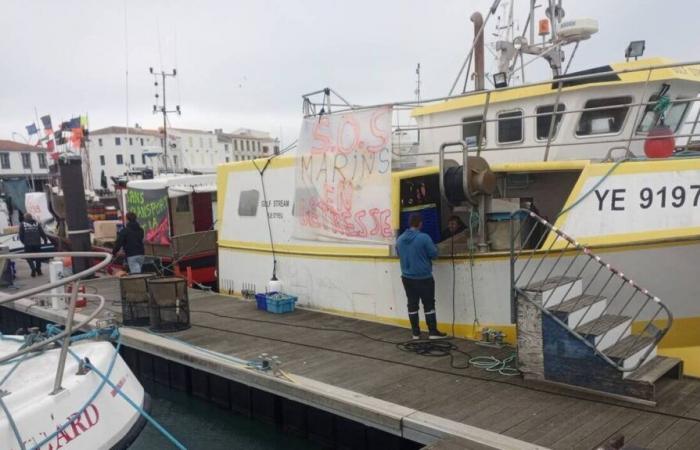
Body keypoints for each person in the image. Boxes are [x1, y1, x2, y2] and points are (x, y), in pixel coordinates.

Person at [396, 213, 448, 340]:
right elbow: (434, 254)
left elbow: (399, 254)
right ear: (420, 223)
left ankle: (415, 333)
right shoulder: (424, 238)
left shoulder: (400, 239)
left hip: (407, 278)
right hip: (424, 277)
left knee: (412, 305)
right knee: (429, 304)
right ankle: (432, 332)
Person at [19, 213, 49, 277]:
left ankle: (33, 269)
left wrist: (24, 242)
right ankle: (38, 270)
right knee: (38, 257)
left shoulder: (22, 224)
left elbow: (21, 235)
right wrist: (45, 240)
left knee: (28, 257)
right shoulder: (37, 223)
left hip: (28, 244)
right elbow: (42, 232)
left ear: (25, 218)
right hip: (37, 243)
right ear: (31, 217)